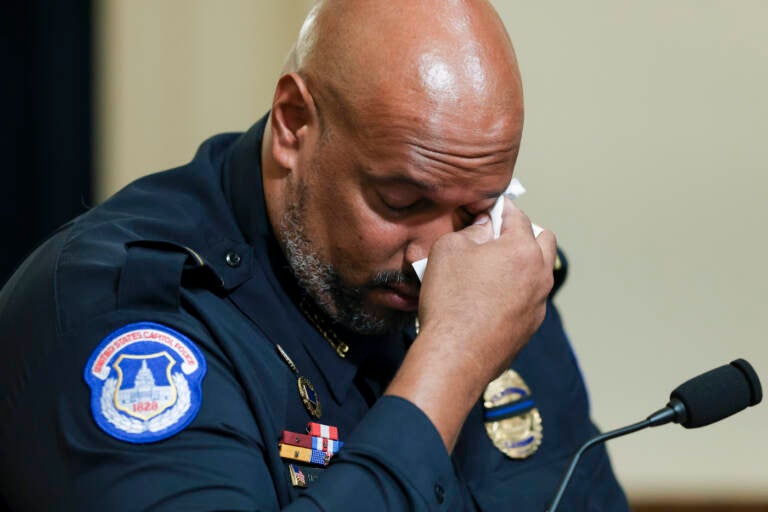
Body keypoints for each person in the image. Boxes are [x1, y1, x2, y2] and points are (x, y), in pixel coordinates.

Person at [0, 1, 628, 510]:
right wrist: (452, 361)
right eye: (402, 201)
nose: (438, 261)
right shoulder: (122, 316)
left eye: (477, 209)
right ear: (294, 123)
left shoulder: (489, 271)